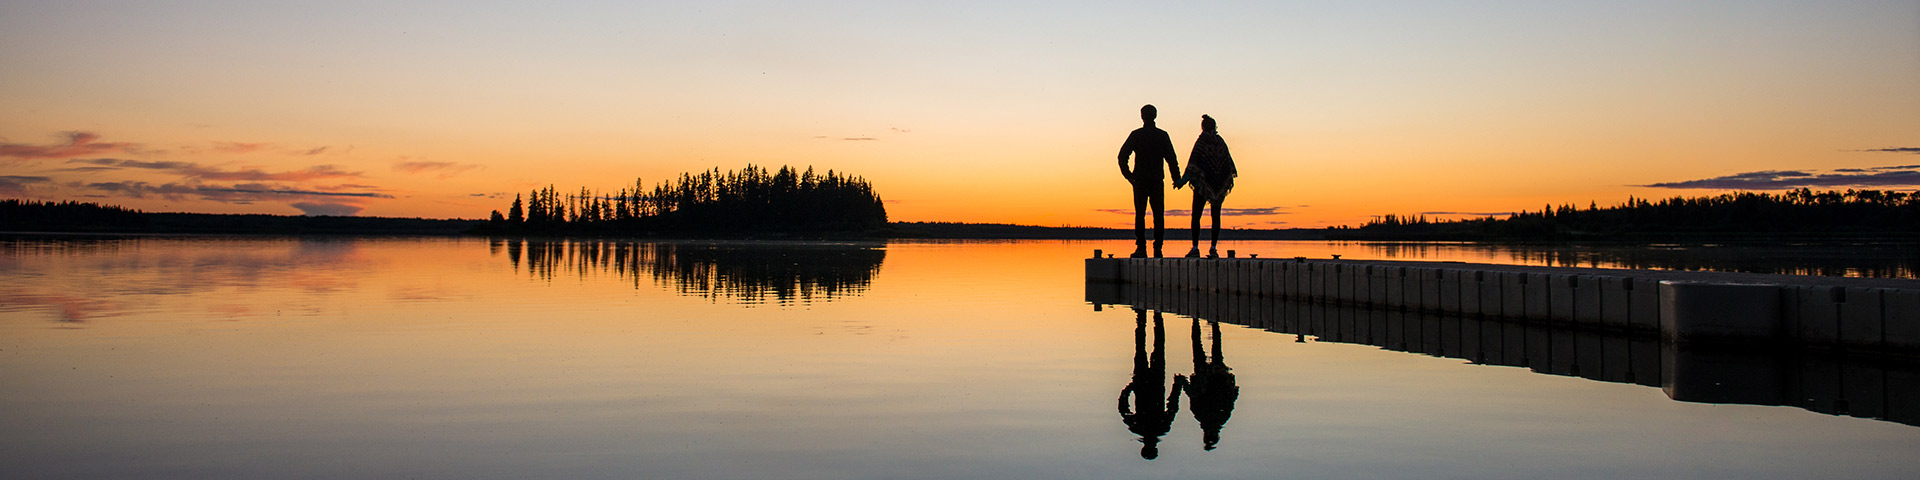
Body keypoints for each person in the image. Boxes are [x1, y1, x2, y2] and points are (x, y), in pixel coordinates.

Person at [1118, 308, 1185, 460]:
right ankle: (1147, 316)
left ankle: (1154, 316)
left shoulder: (1156, 427)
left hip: (1151, 382)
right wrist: (1129, 388)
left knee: (1156, 347)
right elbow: (1123, 408)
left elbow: (1173, 405)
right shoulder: (1140, 427)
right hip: (1146, 383)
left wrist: (1177, 385)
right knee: (1143, 348)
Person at [1117, 104, 1181, 258]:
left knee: (1141, 214)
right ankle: (1157, 248)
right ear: (1155, 116)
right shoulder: (1162, 135)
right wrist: (1176, 179)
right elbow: (1172, 159)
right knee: (1158, 215)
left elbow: (1122, 157)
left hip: (1141, 180)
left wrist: (1129, 176)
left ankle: (1141, 247)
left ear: (1142, 116)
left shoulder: (1137, 135)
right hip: (1154, 180)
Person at [1178, 114, 1237, 258]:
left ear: (1203, 127)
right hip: (1218, 186)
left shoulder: (1202, 141)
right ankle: (1213, 248)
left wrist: (1182, 181)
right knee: (1215, 216)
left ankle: (1195, 247)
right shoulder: (1220, 142)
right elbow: (1228, 165)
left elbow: (1193, 164)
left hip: (1202, 186)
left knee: (1196, 215)